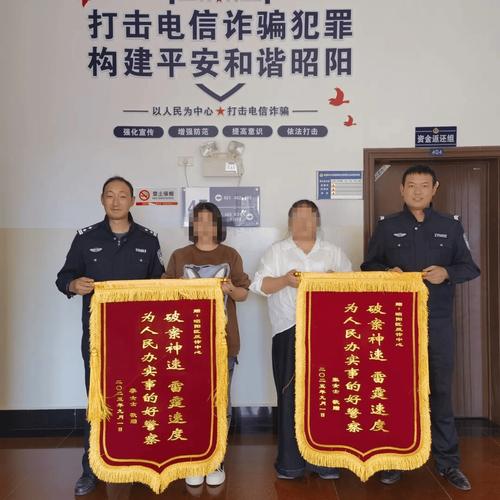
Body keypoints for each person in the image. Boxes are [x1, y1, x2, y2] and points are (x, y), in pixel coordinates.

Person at [361, 165, 480, 491]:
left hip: (437, 324)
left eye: (424, 185)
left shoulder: (450, 227)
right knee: (396, 391)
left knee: (440, 392)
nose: (417, 191)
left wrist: (447, 273)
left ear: (434, 189)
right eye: (411, 185)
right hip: (396, 325)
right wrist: (387, 272)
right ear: (401, 190)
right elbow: (368, 265)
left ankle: (448, 463)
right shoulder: (387, 227)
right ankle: (393, 461)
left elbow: (470, 267)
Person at [55, 176, 164, 496]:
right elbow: (63, 277)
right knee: (98, 400)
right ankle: (92, 469)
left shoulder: (149, 240)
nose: (116, 201)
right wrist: (73, 285)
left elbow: (160, 284)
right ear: (102, 200)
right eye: (110, 196)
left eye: (122, 196)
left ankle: (138, 464)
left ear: (132, 201)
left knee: (140, 398)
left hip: (139, 338)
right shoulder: (86, 238)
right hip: (98, 337)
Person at [250, 200, 352, 480]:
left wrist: (335, 281)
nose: (304, 223)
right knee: (290, 396)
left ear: (317, 221)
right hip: (288, 330)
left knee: (326, 395)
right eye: (298, 218)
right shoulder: (277, 252)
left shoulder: (332, 252)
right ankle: (290, 464)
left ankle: (325, 462)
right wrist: (284, 280)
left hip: (326, 333)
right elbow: (258, 285)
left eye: (309, 218)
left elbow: (353, 287)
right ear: (289, 222)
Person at [163, 202, 250, 487]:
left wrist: (230, 289)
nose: (204, 226)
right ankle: (194, 458)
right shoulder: (179, 256)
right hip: (186, 344)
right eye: (198, 220)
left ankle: (216, 460)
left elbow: (243, 294)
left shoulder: (230, 255)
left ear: (218, 226)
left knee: (220, 403)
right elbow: (163, 293)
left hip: (223, 341)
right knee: (189, 401)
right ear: (192, 225)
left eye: (210, 221)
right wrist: (176, 287)